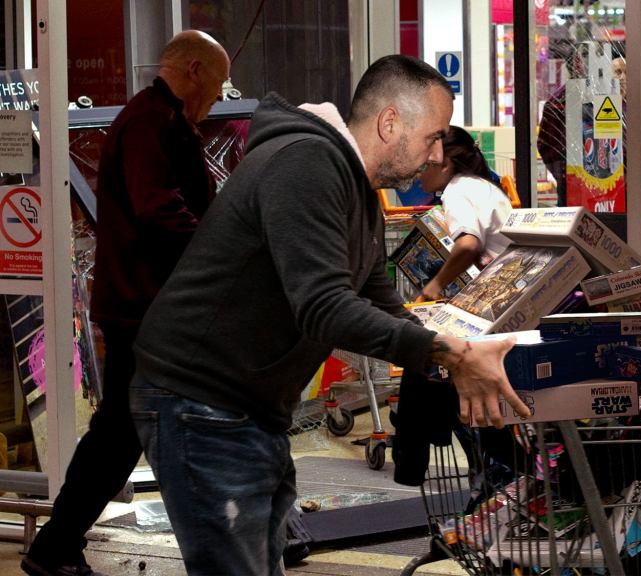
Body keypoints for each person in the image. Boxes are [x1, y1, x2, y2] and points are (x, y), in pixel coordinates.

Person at [127, 54, 530, 575]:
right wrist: (446, 350)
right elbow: (324, 308)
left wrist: (460, 351)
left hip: (249, 407)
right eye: (432, 137)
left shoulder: (355, 189)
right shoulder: (307, 164)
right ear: (390, 122)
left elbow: (380, 302)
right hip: (202, 400)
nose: (437, 154)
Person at [21, 30, 230, 576]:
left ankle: (57, 544)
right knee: (125, 431)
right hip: (145, 308)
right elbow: (158, 210)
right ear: (191, 70)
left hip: (150, 305)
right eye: (217, 80)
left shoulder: (164, 121)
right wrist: (220, 252)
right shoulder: (149, 123)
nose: (220, 93)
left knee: (124, 430)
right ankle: (55, 545)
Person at [416, 125, 513, 302]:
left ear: (445, 164)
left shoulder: (456, 191)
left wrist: (436, 284)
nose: (418, 174)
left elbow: (468, 244)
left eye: (423, 166)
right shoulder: (480, 185)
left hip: (506, 291)